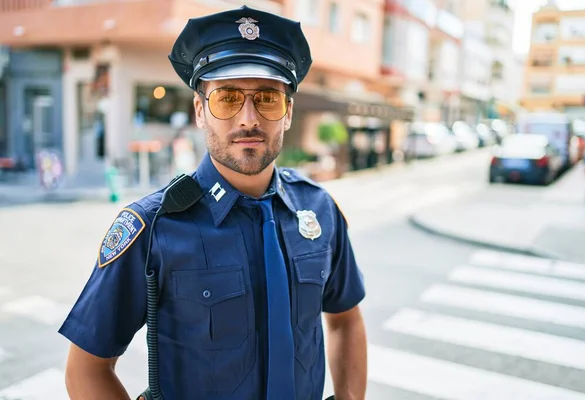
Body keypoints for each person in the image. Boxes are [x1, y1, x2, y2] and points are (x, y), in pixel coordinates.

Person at [58, 6, 368, 400]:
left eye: (268, 98)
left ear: (288, 112)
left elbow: (345, 320)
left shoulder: (319, 210)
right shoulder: (153, 226)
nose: (248, 119)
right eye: (227, 98)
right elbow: (86, 369)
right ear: (200, 110)